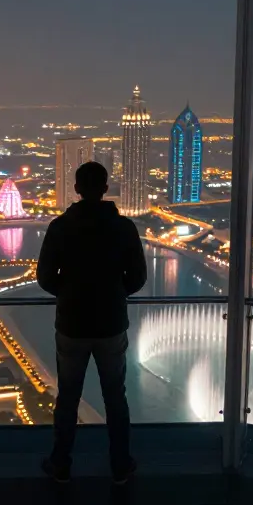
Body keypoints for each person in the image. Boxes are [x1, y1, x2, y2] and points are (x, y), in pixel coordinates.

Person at [35, 161, 146, 484]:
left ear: (76, 189)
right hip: (111, 325)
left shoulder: (60, 227)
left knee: (68, 397)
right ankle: (120, 466)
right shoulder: (124, 228)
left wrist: (69, 293)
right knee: (115, 397)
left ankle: (60, 464)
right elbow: (138, 277)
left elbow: (44, 277)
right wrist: (115, 293)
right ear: (106, 188)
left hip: (72, 325)